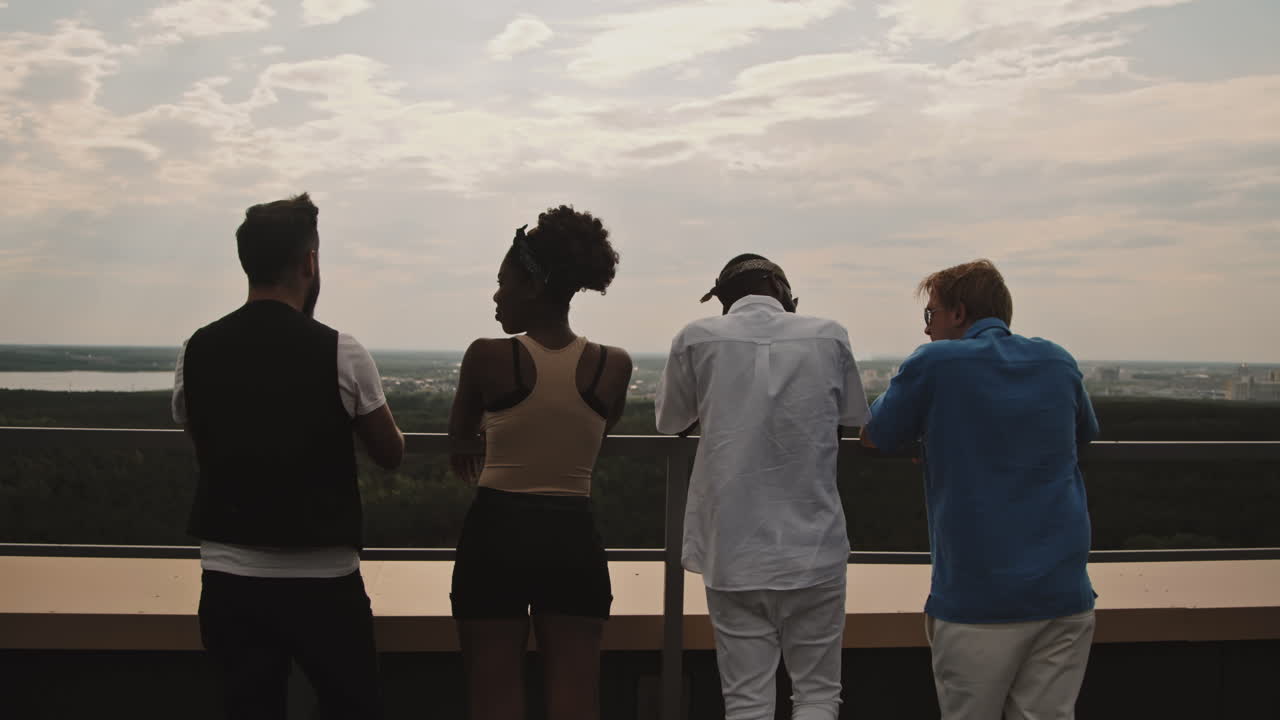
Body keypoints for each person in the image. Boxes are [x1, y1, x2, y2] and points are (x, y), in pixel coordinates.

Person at [172, 193, 405, 719]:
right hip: (325, 580)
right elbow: (390, 453)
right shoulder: (342, 351)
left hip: (229, 576)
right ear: (309, 262)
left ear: (246, 262)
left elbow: (203, 440)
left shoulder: (198, 348)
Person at [861, 259, 1099, 720]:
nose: (926, 329)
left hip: (979, 597)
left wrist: (930, 432)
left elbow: (874, 434)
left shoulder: (935, 362)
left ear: (958, 313)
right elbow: (1082, 433)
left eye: (930, 314)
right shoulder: (1055, 358)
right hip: (1064, 592)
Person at [655, 254, 870, 720]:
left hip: (733, 551)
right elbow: (853, 417)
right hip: (815, 548)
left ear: (724, 299)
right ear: (779, 286)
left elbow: (669, 420)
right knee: (816, 694)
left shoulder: (696, 339)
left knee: (746, 701)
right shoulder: (829, 334)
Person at [447, 205, 633, 720]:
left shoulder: (487, 356)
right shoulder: (612, 365)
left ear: (530, 283)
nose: (497, 294)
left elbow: (458, 439)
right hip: (573, 536)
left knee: (493, 695)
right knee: (575, 698)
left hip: (496, 531)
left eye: (503, 282)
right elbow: (594, 427)